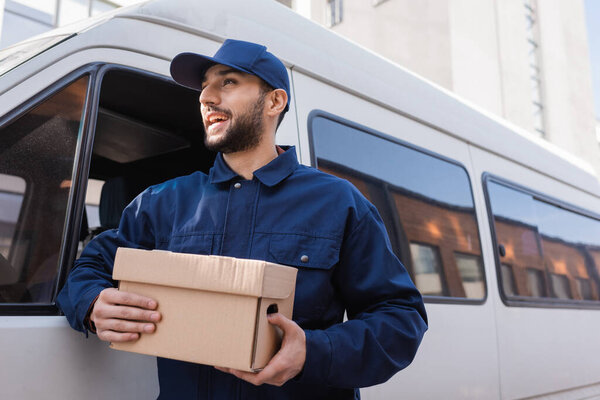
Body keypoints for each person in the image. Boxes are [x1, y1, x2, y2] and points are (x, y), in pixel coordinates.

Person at [57, 39, 428, 399]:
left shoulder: (338, 202)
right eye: (204, 87)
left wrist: (314, 350)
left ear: (274, 101)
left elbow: (400, 318)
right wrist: (92, 302)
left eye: (228, 82)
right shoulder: (163, 202)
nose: (206, 97)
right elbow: (90, 267)